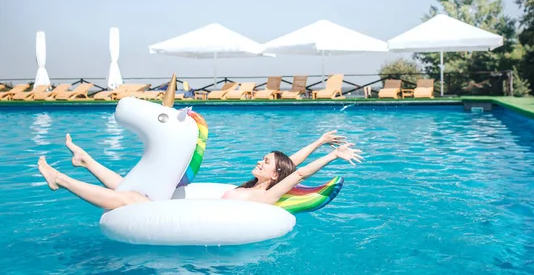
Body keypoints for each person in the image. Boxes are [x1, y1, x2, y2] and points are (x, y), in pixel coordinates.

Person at [37, 130, 363, 210]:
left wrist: (332, 155)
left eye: (266, 162)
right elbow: (289, 161)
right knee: (130, 187)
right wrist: (318, 141)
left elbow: (297, 173)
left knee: (130, 200)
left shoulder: (268, 197)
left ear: (274, 176)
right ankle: (86, 161)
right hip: (182, 208)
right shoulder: (254, 185)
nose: (260, 162)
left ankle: (62, 179)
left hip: (181, 217)